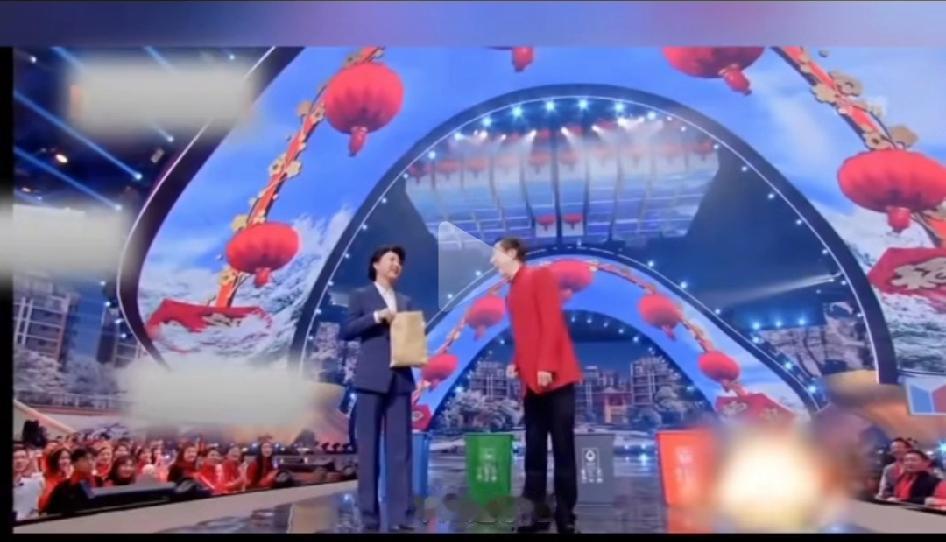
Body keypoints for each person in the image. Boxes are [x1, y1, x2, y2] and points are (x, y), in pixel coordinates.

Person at [490, 238, 582, 534]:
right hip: (532, 383)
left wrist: (546, 365)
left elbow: (552, 322)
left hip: (556, 378)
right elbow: (525, 334)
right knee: (534, 450)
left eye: (496, 254)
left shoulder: (539, 276)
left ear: (512, 253)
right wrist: (516, 361)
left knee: (563, 447)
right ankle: (536, 512)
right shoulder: (510, 293)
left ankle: (565, 513)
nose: (492, 261)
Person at [340, 245, 417, 533]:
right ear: (376, 264)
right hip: (370, 379)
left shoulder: (406, 300)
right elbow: (346, 331)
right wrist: (375, 317)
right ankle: (369, 518)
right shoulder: (361, 295)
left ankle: (401, 517)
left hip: (400, 380)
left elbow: (410, 337)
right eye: (392, 259)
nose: (397, 264)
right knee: (368, 451)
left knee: (401, 451)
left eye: (400, 261)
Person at [13, 445, 45, 521]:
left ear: (27, 461)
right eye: (14, 458)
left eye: (23, 457)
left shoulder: (34, 484)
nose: (19, 461)